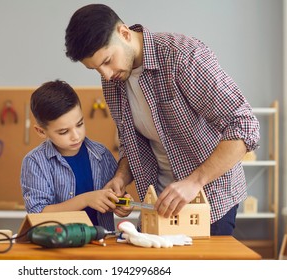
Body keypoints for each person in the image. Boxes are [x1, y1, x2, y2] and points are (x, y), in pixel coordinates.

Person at [65, 4, 260, 235]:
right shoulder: (113, 81)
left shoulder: (182, 56)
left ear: (124, 34)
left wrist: (194, 182)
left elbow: (245, 126)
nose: (106, 75)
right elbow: (132, 144)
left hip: (209, 202)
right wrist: (120, 179)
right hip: (158, 204)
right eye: (96, 69)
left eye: (107, 61)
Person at [20, 80, 132, 231]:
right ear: (41, 131)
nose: (76, 136)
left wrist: (121, 204)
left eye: (79, 124)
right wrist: (86, 199)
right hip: (58, 247)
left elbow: (114, 195)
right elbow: (38, 214)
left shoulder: (101, 154)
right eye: (64, 132)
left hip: (101, 245)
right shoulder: (35, 162)